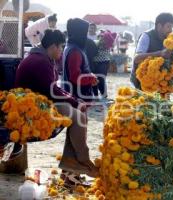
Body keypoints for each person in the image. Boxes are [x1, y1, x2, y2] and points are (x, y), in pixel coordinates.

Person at [15, 29, 99, 186]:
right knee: (77, 115)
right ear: (53, 46)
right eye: (61, 47)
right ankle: (81, 159)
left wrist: (75, 101)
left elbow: (53, 89)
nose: (62, 51)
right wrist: (75, 102)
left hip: (37, 104)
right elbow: (52, 91)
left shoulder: (41, 58)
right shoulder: (40, 61)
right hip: (31, 112)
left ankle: (71, 169)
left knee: (77, 113)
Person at [130, 12, 173, 89]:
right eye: (168, 27)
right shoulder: (146, 36)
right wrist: (160, 53)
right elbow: (137, 58)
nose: (170, 30)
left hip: (160, 82)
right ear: (159, 26)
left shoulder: (170, 38)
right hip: (141, 81)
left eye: (171, 27)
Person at [62, 18, 98, 101]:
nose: (86, 36)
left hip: (74, 95)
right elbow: (75, 77)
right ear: (80, 33)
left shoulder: (70, 46)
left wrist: (90, 75)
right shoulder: (75, 51)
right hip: (78, 97)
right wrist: (91, 78)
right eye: (85, 33)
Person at [92, 30, 116, 100]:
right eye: (100, 36)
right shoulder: (96, 43)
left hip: (103, 63)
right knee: (94, 79)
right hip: (95, 63)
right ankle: (96, 95)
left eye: (103, 37)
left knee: (101, 79)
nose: (101, 38)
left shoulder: (108, 44)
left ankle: (104, 95)